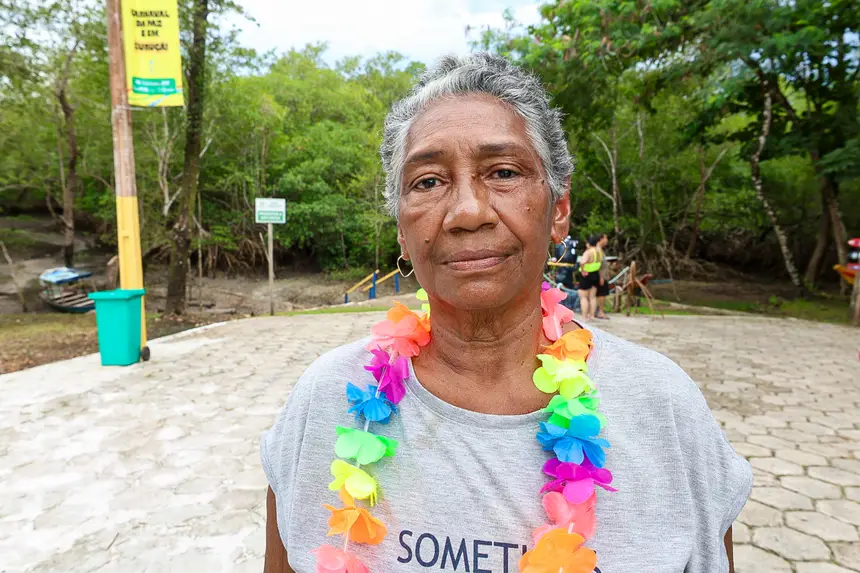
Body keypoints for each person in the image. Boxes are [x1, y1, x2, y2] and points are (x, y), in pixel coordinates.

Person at [261, 53, 751, 573]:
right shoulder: (324, 401)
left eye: (503, 172)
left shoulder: (662, 408)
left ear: (557, 210)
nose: (468, 211)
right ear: (403, 229)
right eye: (427, 181)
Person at [577, 235, 603, 320]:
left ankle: (584, 316)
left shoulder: (588, 252)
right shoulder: (599, 251)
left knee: (583, 296)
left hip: (586, 275)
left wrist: (583, 270)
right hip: (595, 274)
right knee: (593, 296)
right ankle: (592, 315)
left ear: (588, 243)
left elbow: (582, 262)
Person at [595, 233, 610, 319]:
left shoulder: (600, 249)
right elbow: (599, 264)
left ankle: (599, 311)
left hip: (602, 275)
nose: (607, 240)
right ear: (601, 239)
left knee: (600, 294)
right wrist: (601, 277)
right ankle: (600, 312)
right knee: (601, 294)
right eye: (606, 238)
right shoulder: (598, 250)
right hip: (601, 276)